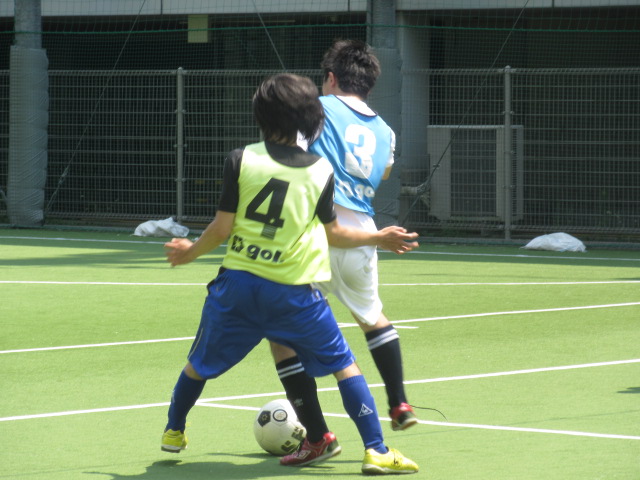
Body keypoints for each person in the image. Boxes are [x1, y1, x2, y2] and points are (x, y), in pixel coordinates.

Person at [160, 72, 419, 475]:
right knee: (344, 364)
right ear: (312, 118)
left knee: (198, 362)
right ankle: (376, 450)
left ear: (260, 114)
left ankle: (174, 430)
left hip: (238, 286)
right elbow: (334, 233)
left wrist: (189, 252)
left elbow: (221, 229)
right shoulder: (320, 171)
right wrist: (377, 237)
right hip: (293, 293)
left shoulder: (241, 159)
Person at [271, 39, 418, 467]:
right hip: (364, 234)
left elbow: (289, 153)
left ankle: (318, 437)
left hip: (314, 232)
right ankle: (399, 402)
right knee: (373, 318)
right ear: (369, 85)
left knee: (282, 337)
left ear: (332, 78)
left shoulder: (315, 109)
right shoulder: (385, 130)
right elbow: (384, 172)